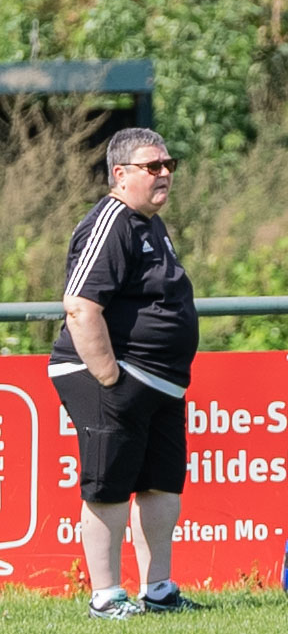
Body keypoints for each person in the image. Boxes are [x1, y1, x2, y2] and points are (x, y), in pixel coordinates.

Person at [48, 128, 200, 618]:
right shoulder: (111, 221)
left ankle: (159, 591)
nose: (164, 174)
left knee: (162, 485)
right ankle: (107, 596)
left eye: (168, 165)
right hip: (113, 377)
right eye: (152, 167)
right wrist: (110, 377)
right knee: (109, 486)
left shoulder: (150, 223)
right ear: (120, 174)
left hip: (160, 382)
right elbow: (80, 305)